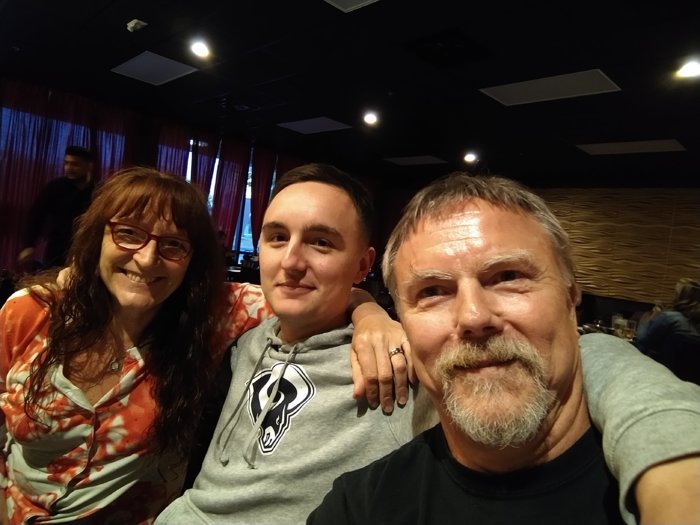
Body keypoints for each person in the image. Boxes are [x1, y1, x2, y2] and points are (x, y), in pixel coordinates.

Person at [0, 166, 405, 525]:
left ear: (191, 260)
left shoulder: (216, 318)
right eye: (128, 234)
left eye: (173, 245)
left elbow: (313, 296)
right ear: (98, 237)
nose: (147, 259)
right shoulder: (30, 313)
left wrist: (370, 312)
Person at [309, 172, 700, 525]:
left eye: (508, 276)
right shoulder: (358, 507)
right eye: (432, 292)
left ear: (570, 296)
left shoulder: (670, 481)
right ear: (403, 324)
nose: (474, 316)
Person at [155, 163, 416, 524]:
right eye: (277, 237)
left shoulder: (396, 360)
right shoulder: (239, 335)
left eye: (321, 242)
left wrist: (373, 315)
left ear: (362, 265)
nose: (291, 262)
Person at [16, 145, 96, 272]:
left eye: (75, 164)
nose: (69, 168)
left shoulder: (98, 191)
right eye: (66, 163)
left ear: (89, 166)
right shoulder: (55, 187)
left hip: (87, 251)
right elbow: (36, 216)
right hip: (56, 251)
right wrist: (28, 245)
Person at [635, 277, 700, 385]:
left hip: (660, 377)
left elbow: (642, 344)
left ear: (682, 298)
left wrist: (650, 318)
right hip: (692, 384)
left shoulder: (668, 318)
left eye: (675, 294)